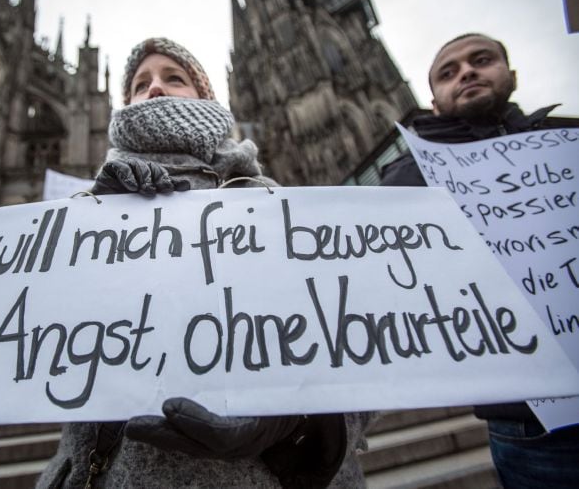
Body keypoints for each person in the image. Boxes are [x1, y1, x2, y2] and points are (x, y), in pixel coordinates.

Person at [36, 38, 374, 489]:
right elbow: (35, 336)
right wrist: (90, 233)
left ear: (205, 96)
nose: (155, 87)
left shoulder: (271, 199)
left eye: (173, 77)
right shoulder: (91, 209)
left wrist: (302, 422)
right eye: (141, 83)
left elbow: (364, 337)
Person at [381, 32, 579, 488]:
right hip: (532, 423)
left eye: (481, 60)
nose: (466, 72)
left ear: (511, 74)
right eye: (448, 72)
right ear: (433, 101)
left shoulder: (565, 138)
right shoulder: (410, 174)